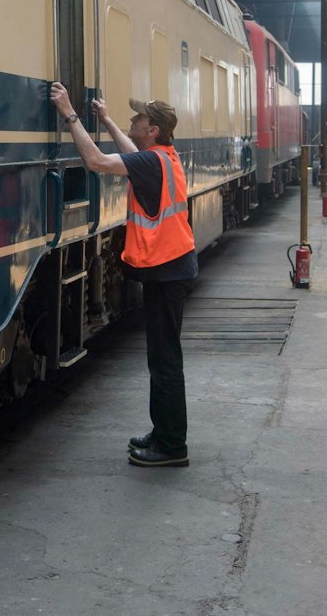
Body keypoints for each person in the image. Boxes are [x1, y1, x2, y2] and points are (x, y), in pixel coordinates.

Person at [49, 83, 198, 468]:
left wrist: (69, 115)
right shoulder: (161, 157)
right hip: (170, 270)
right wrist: (109, 120)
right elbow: (131, 156)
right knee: (161, 357)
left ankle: (171, 446)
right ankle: (162, 431)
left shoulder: (154, 162)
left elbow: (98, 162)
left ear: (153, 129)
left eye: (138, 117)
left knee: (165, 361)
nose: (133, 120)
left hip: (168, 274)